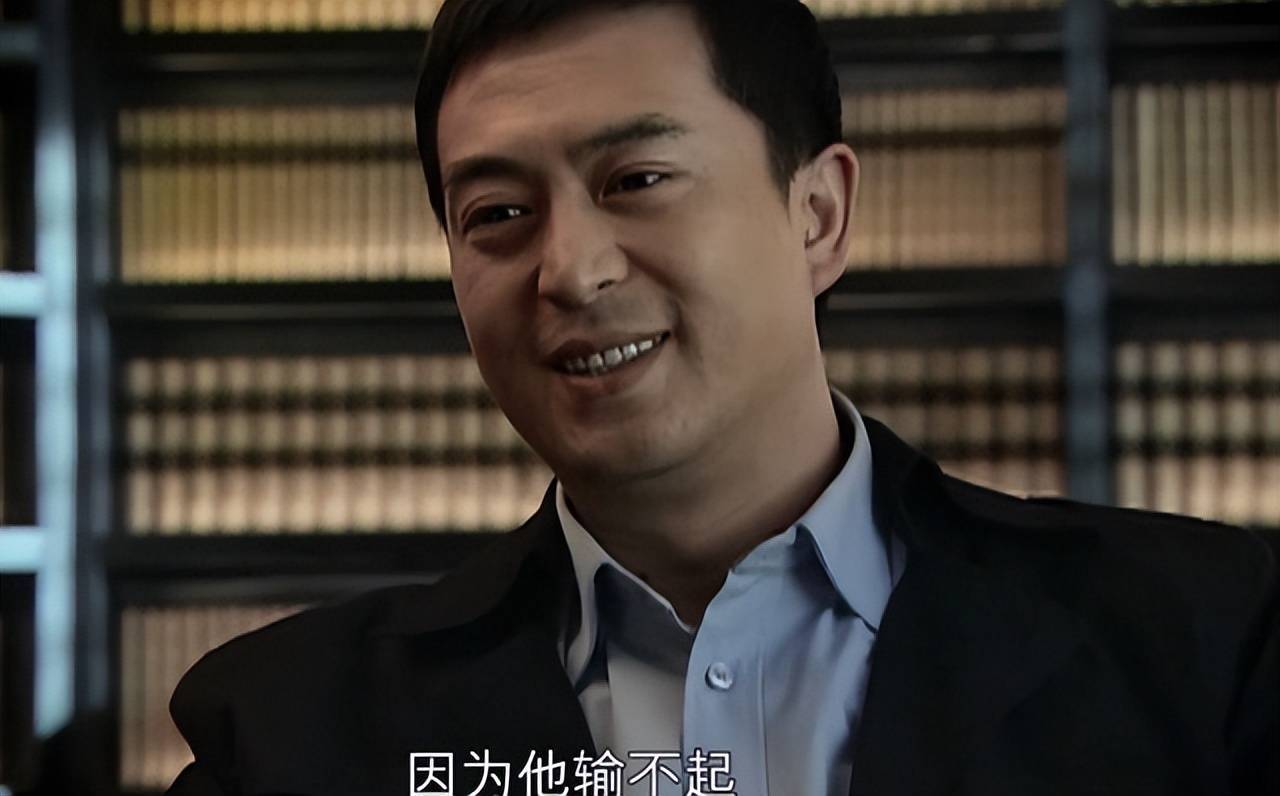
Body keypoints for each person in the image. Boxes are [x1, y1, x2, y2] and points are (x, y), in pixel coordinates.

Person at [166, 1, 1278, 794]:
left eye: (637, 181)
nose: (570, 270)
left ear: (818, 216)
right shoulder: (286, 733)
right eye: (498, 214)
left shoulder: (1203, 641)